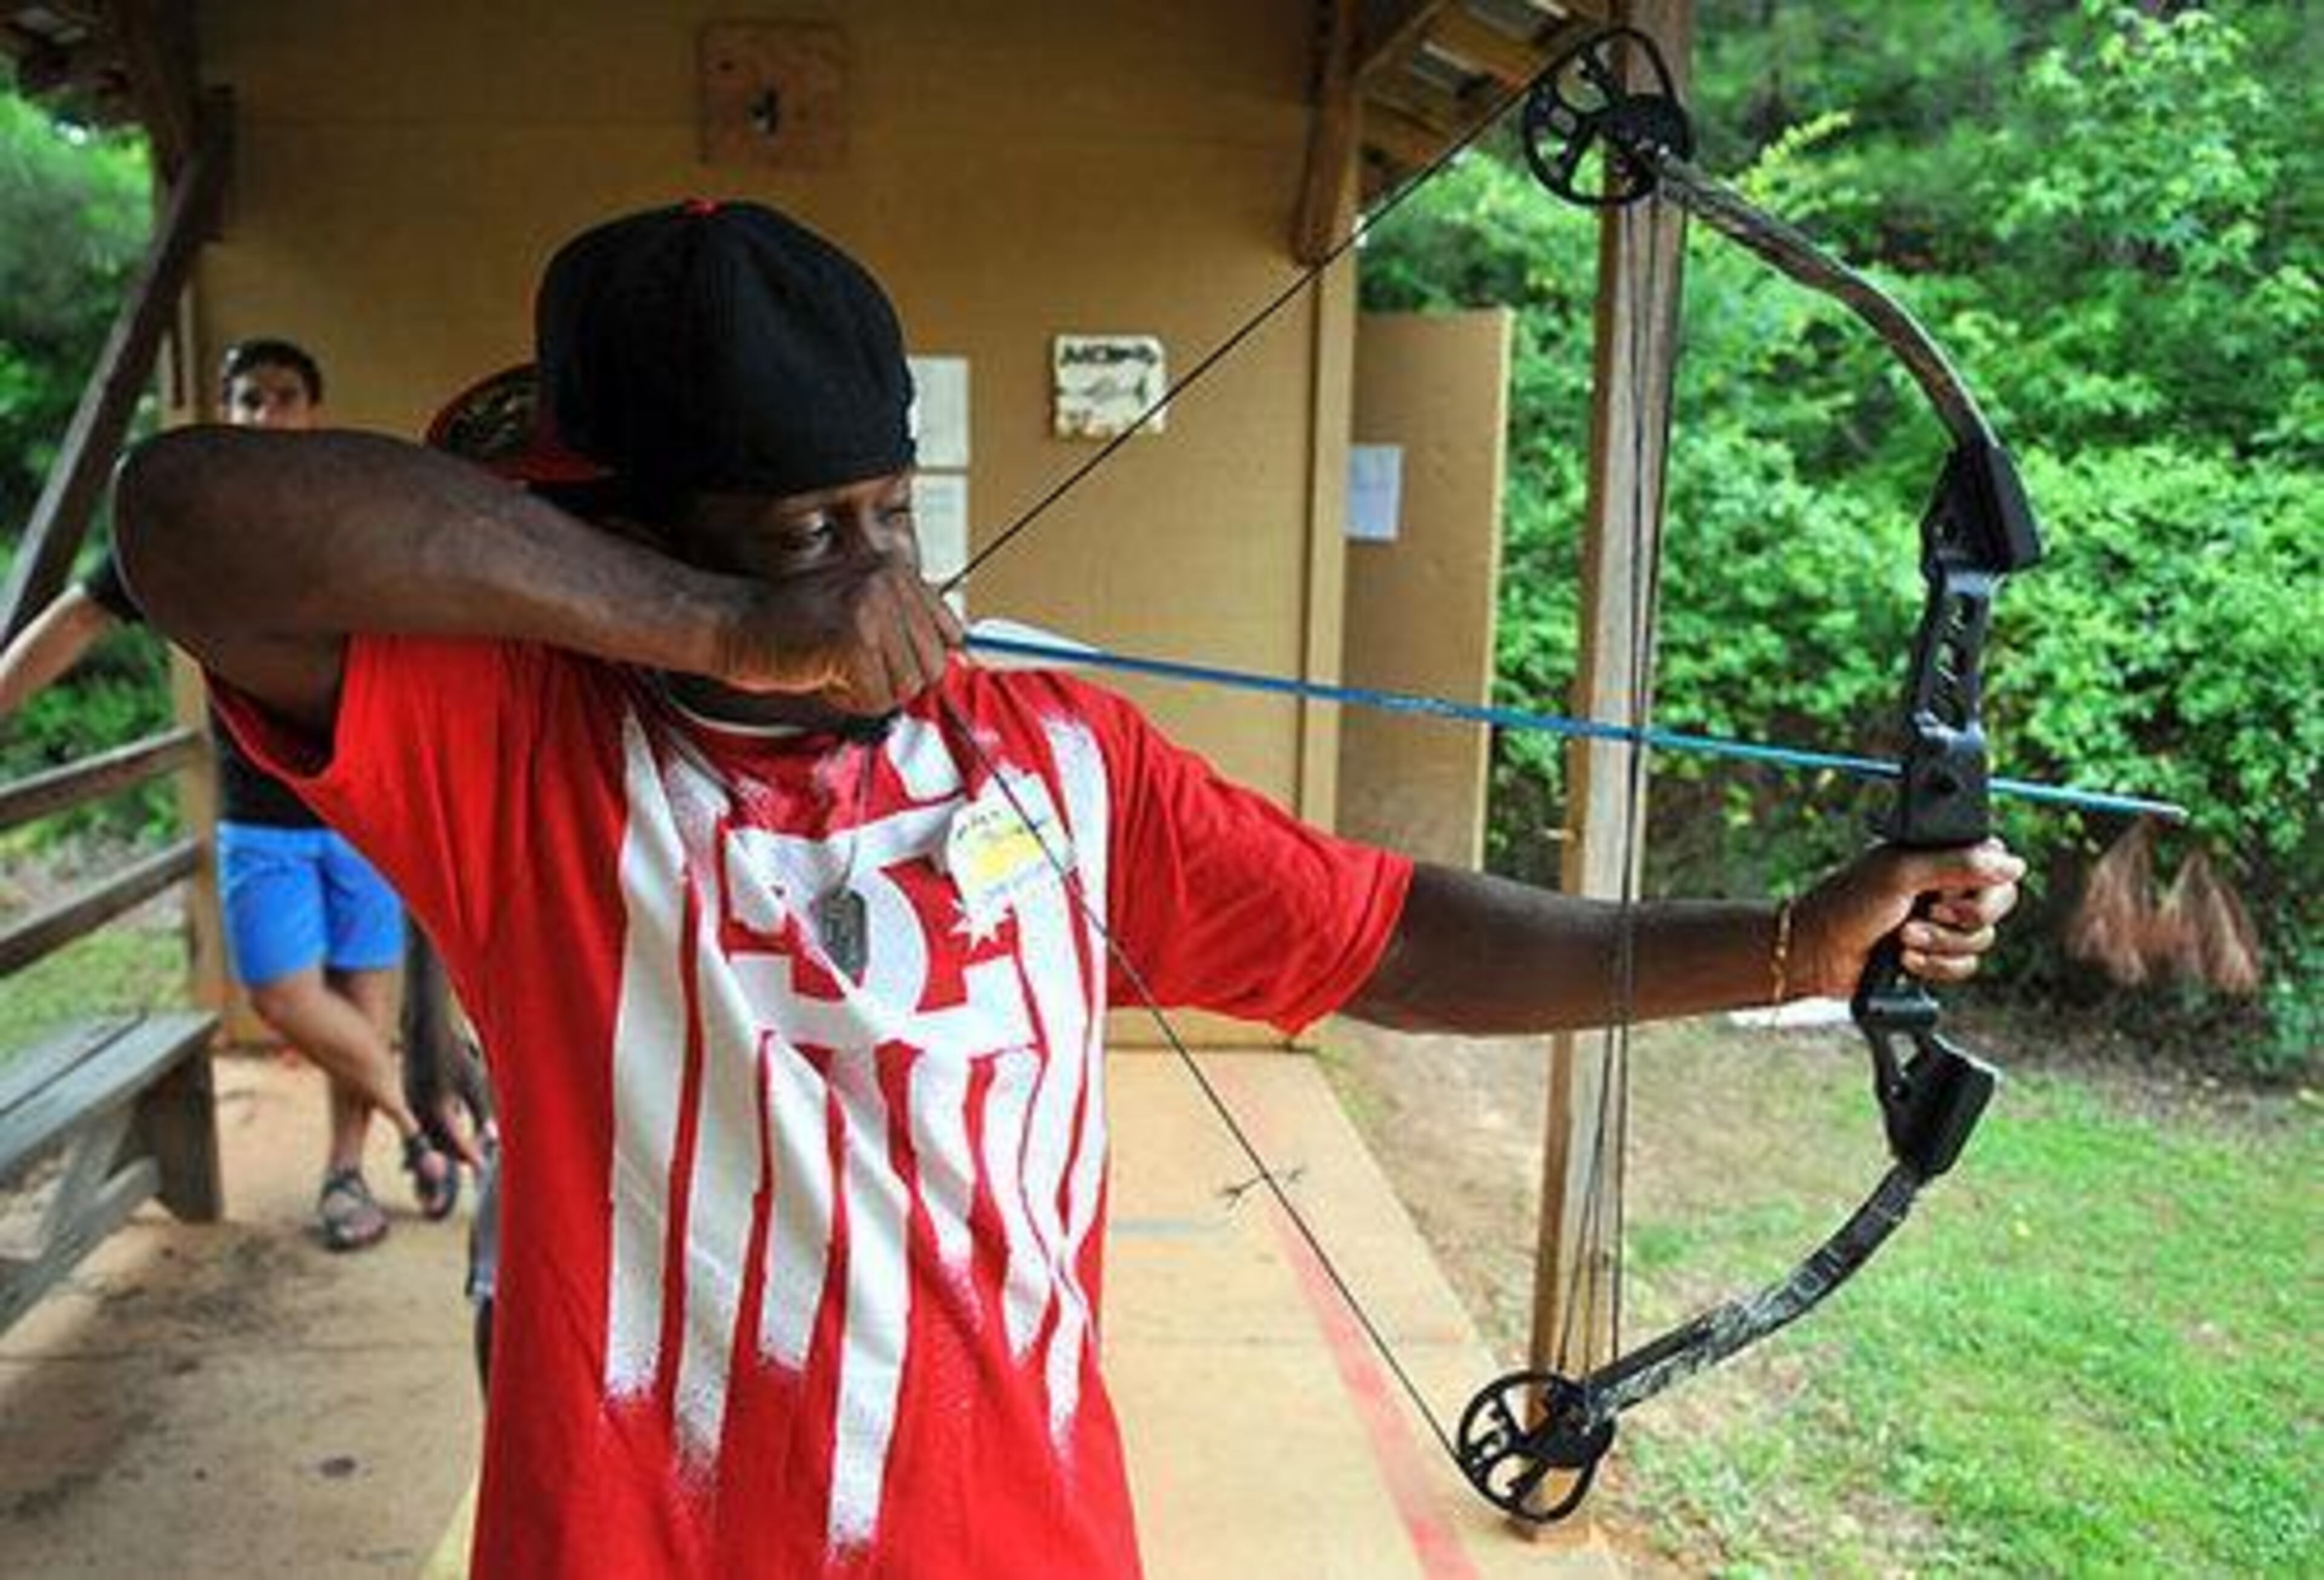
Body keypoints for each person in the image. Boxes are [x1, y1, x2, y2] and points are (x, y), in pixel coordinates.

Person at [113, 202, 2023, 1577]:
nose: (877, 576)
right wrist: (723, 628)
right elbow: (183, 519)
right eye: (804, 532)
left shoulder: (1049, 750)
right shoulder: (521, 752)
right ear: (598, 531)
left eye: (891, 511)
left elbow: (1390, 931)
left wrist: (1788, 941)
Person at [0, 338, 462, 1252]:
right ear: (223, 412)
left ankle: (346, 1175)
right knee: (285, 997)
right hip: (260, 813)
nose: (265, 415)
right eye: (247, 398)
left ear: (313, 414)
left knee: (362, 1000)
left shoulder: (349, 518)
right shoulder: (189, 535)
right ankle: (426, 1124)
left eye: (284, 398)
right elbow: (79, 617)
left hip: (364, 807)